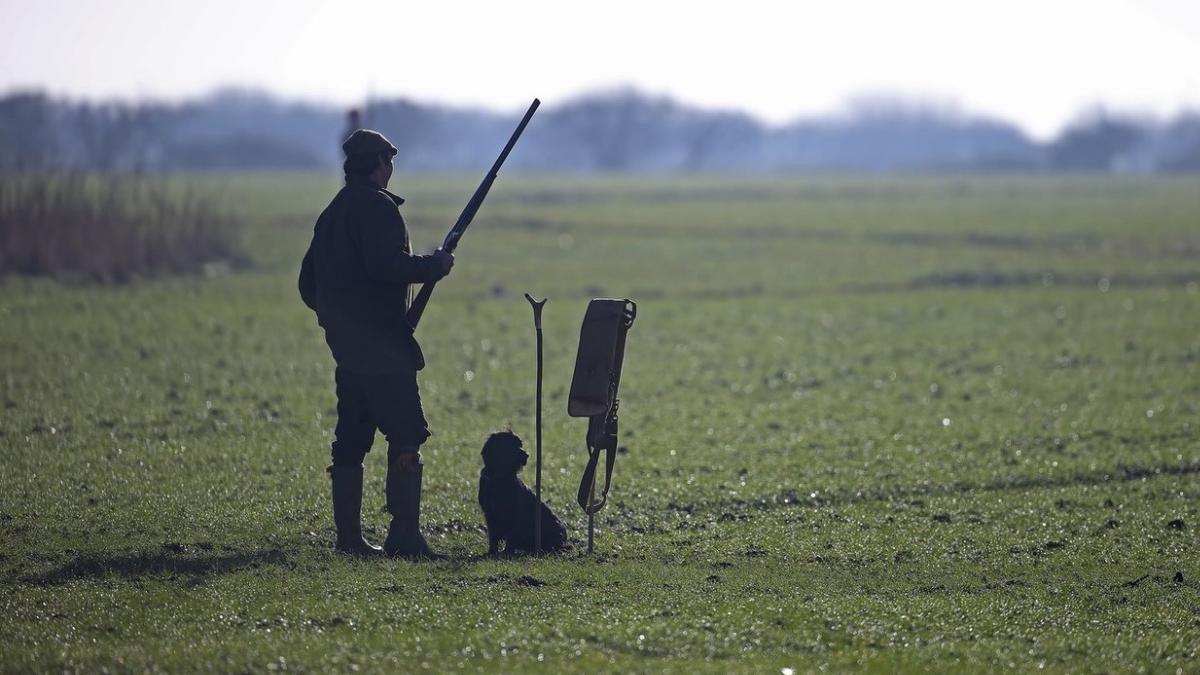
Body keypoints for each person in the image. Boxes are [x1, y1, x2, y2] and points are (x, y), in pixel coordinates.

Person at [299, 129, 454, 558]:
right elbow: (387, 267)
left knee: (351, 439)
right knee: (406, 434)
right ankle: (404, 537)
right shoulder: (377, 208)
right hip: (383, 349)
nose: (391, 168)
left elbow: (307, 284)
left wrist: (338, 322)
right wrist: (435, 266)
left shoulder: (332, 211)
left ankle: (348, 540)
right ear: (380, 164)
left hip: (348, 350)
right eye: (389, 160)